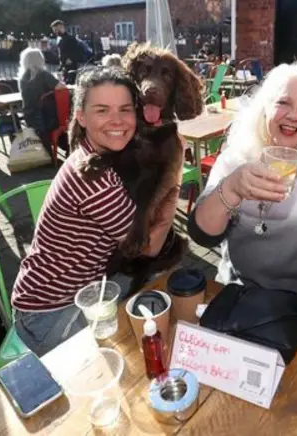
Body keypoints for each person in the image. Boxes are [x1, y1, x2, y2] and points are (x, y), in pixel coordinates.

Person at [187, 63, 297, 332]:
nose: (293, 115)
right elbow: (201, 235)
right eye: (283, 102)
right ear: (265, 110)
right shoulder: (236, 158)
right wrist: (231, 188)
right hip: (239, 296)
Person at [11, 67, 180, 357]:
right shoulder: (93, 177)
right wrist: (173, 178)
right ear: (81, 116)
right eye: (102, 110)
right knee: (144, 338)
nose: (117, 120)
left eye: (125, 109)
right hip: (49, 314)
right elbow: (149, 247)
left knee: (161, 293)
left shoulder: (100, 157)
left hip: (88, 287)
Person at [17, 48, 67, 158]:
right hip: (46, 116)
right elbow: (61, 88)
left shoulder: (22, 78)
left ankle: (50, 151)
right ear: (40, 60)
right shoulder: (44, 75)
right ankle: (68, 147)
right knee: (64, 117)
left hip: (29, 115)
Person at [50, 19, 87, 84]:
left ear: (61, 27)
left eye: (56, 29)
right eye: (54, 30)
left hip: (71, 65)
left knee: (71, 82)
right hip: (63, 66)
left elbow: (77, 51)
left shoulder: (70, 38)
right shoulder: (59, 39)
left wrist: (71, 59)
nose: (55, 32)